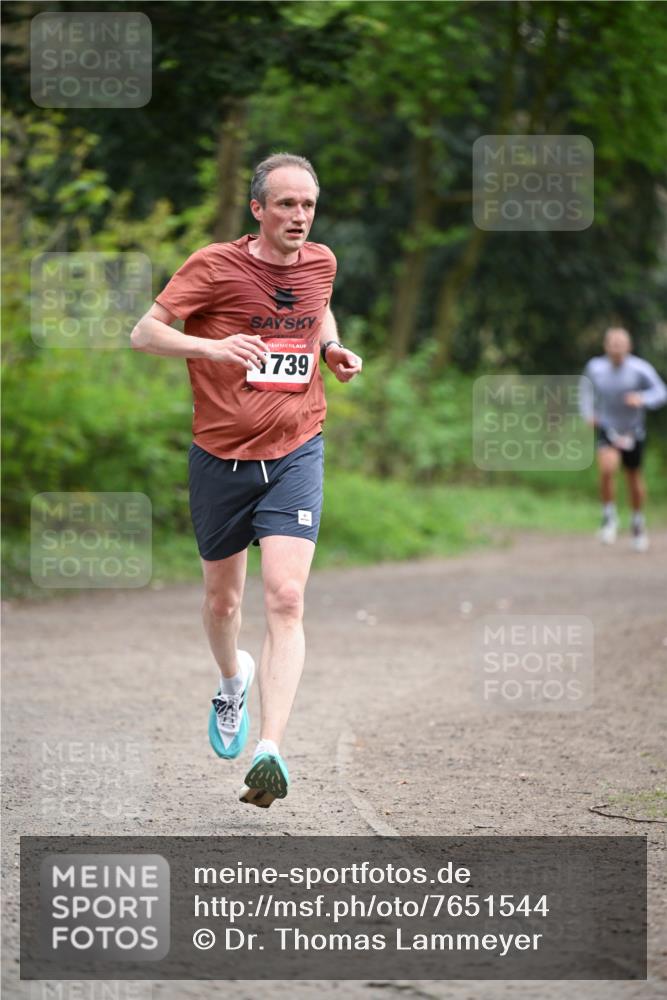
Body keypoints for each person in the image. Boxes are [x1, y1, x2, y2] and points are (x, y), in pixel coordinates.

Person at [131, 152, 362, 807]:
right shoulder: (214, 266)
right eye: (285, 204)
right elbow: (143, 333)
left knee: (286, 598)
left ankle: (270, 748)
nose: (298, 217)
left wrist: (328, 351)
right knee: (223, 605)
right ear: (257, 208)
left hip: (295, 449)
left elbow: (317, 311)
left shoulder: (322, 261)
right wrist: (211, 347)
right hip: (220, 458)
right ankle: (232, 680)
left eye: (308, 205)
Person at [580, 327, 666, 552]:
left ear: (629, 347)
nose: (616, 347)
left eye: (621, 343)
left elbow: (661, 392)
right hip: (608, 427)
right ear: (605, 346)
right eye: (612, 343)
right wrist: (588, 413)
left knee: (633, 477)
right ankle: (609, 517)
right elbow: (585, 390)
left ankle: (637, 521)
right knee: (607, 469)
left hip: (633, 430)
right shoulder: (595, 367)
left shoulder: (640, 368)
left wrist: (642, 398)